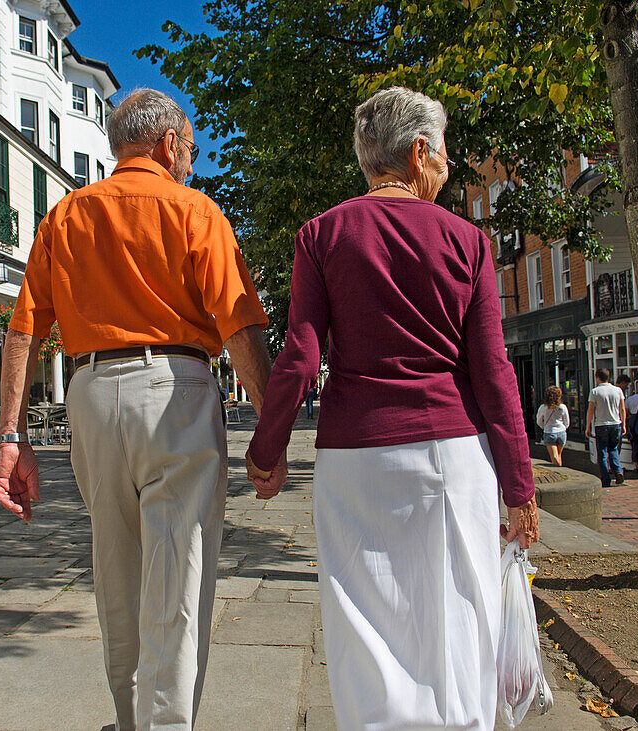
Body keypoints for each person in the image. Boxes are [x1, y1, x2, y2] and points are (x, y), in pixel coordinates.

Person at [246, 87, 539, 730]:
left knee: (365, 633)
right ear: (417, 151)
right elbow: (492, 372)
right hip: (449, 454)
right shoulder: (467, 241)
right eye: (442, 155)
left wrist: (266, 452)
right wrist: (519, 484)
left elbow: (300, 353)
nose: (447, 167)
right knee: (459, 628)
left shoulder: (321, 235)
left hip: (354, 457)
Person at [0, 89, 278, 729]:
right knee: (176, 578)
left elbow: (23, 331)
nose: (192, 165)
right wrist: (269, 427)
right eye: (192, 152)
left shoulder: (66, 215)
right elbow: (238, 326)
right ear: (169, 145)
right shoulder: (195, 212)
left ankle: (130, 721)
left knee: (115, 575)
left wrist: (10, 436)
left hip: (90, 392)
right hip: (175, 389)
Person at [586, 367, 627, 486]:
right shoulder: (618, 390)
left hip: (601, 425)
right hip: (615, 424)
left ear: (597, 377)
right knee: (613, 449)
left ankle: (605, 478)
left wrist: (588, 426)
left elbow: (591, 410)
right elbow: (622, 409)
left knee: (602, 452)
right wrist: (623, 424)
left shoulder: (595, 391)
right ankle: (617, 471)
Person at [536, 385, 570, 467]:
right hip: (561, 432)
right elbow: (567, 422)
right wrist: (563, 428)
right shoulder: (563, 407)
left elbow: (539, 421)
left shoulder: (543, 407)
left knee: (554, 457)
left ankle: (559, 472)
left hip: (549, 432)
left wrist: (544, 427)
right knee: (559, 455)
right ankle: (561, 471)